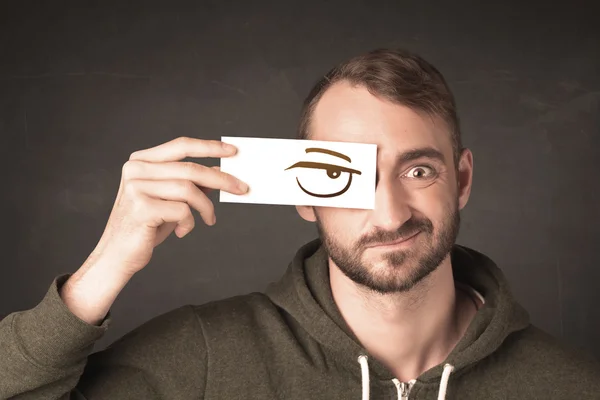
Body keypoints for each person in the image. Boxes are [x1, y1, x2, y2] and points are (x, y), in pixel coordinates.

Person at [1, 48, 599, 400]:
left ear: (462, 179)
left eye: (418, 171)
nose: (388, 213)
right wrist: (100, 272)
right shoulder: (203, 358)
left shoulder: (570, 386)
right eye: (343, 175)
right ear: (302, 196)